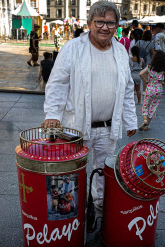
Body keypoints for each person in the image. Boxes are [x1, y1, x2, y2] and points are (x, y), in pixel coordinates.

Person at [43, 1, 137, 209]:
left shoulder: (121, 51)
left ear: (117, 26)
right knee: (69, 173)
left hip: (107, 128)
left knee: (104, 172)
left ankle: (101, 209)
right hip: (75, 127)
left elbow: (128, 88)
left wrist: (130, 120)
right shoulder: (73, 49)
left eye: (111, 23)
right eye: (100, 22)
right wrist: (53, 114)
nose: (105, 27)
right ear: (89, 24)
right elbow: (57, 83)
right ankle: (65, 216)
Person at [138, 50, 165, 131]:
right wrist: (164, 83)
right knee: (153, 107)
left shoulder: (150, 66)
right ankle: (147, 125)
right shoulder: (163, 68)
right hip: (158, 89)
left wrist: (145, 80)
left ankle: (145, 120)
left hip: (150, 87)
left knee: (145, 105)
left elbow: (141, 74)